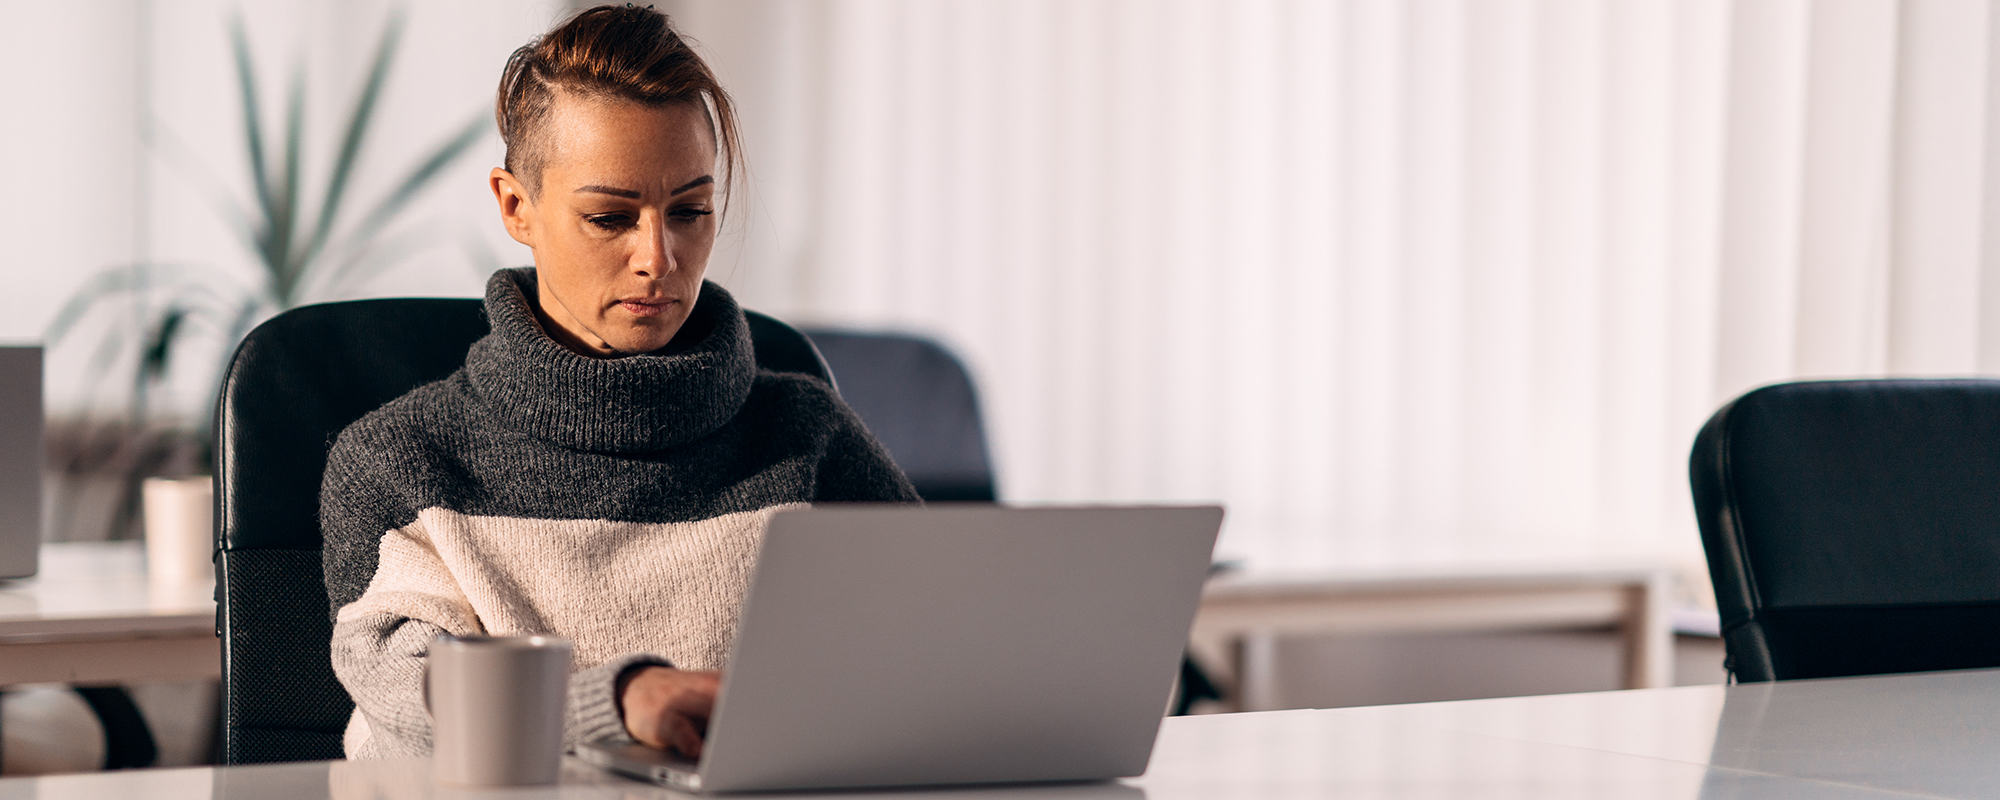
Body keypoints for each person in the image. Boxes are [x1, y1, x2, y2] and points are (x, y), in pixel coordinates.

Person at [320, 5, 918, 761]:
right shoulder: (398, 460)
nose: (659, 256)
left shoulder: (809, 435)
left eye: (691, 211)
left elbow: (944, 651)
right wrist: (617, 701)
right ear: (516, 206)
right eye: (610, 217)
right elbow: (408, 693)